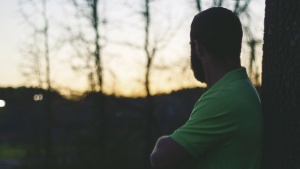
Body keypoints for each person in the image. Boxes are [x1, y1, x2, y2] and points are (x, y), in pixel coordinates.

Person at [150, 7, 263, 169]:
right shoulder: (241, 88)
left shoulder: (224, 98)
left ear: (198, 48)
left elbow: (161, 158)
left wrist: (162, 141)